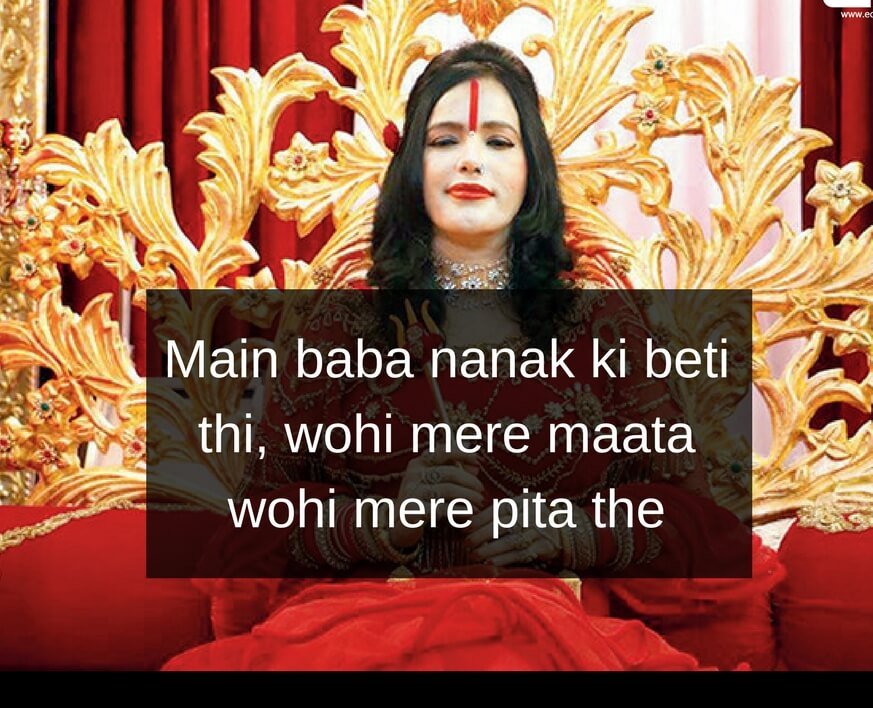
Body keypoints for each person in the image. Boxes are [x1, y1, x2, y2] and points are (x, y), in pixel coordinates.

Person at [163, 41, 782, 671]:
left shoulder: (599, 326)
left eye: (498, 141)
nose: (470, 160)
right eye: (444, 140)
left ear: (533, 170)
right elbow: (255, 531)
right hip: (365, 637)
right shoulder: (344, 326)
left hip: (548, 636)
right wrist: (381, 522)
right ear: (412, 166)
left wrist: (569, 532)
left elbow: (698, 530)